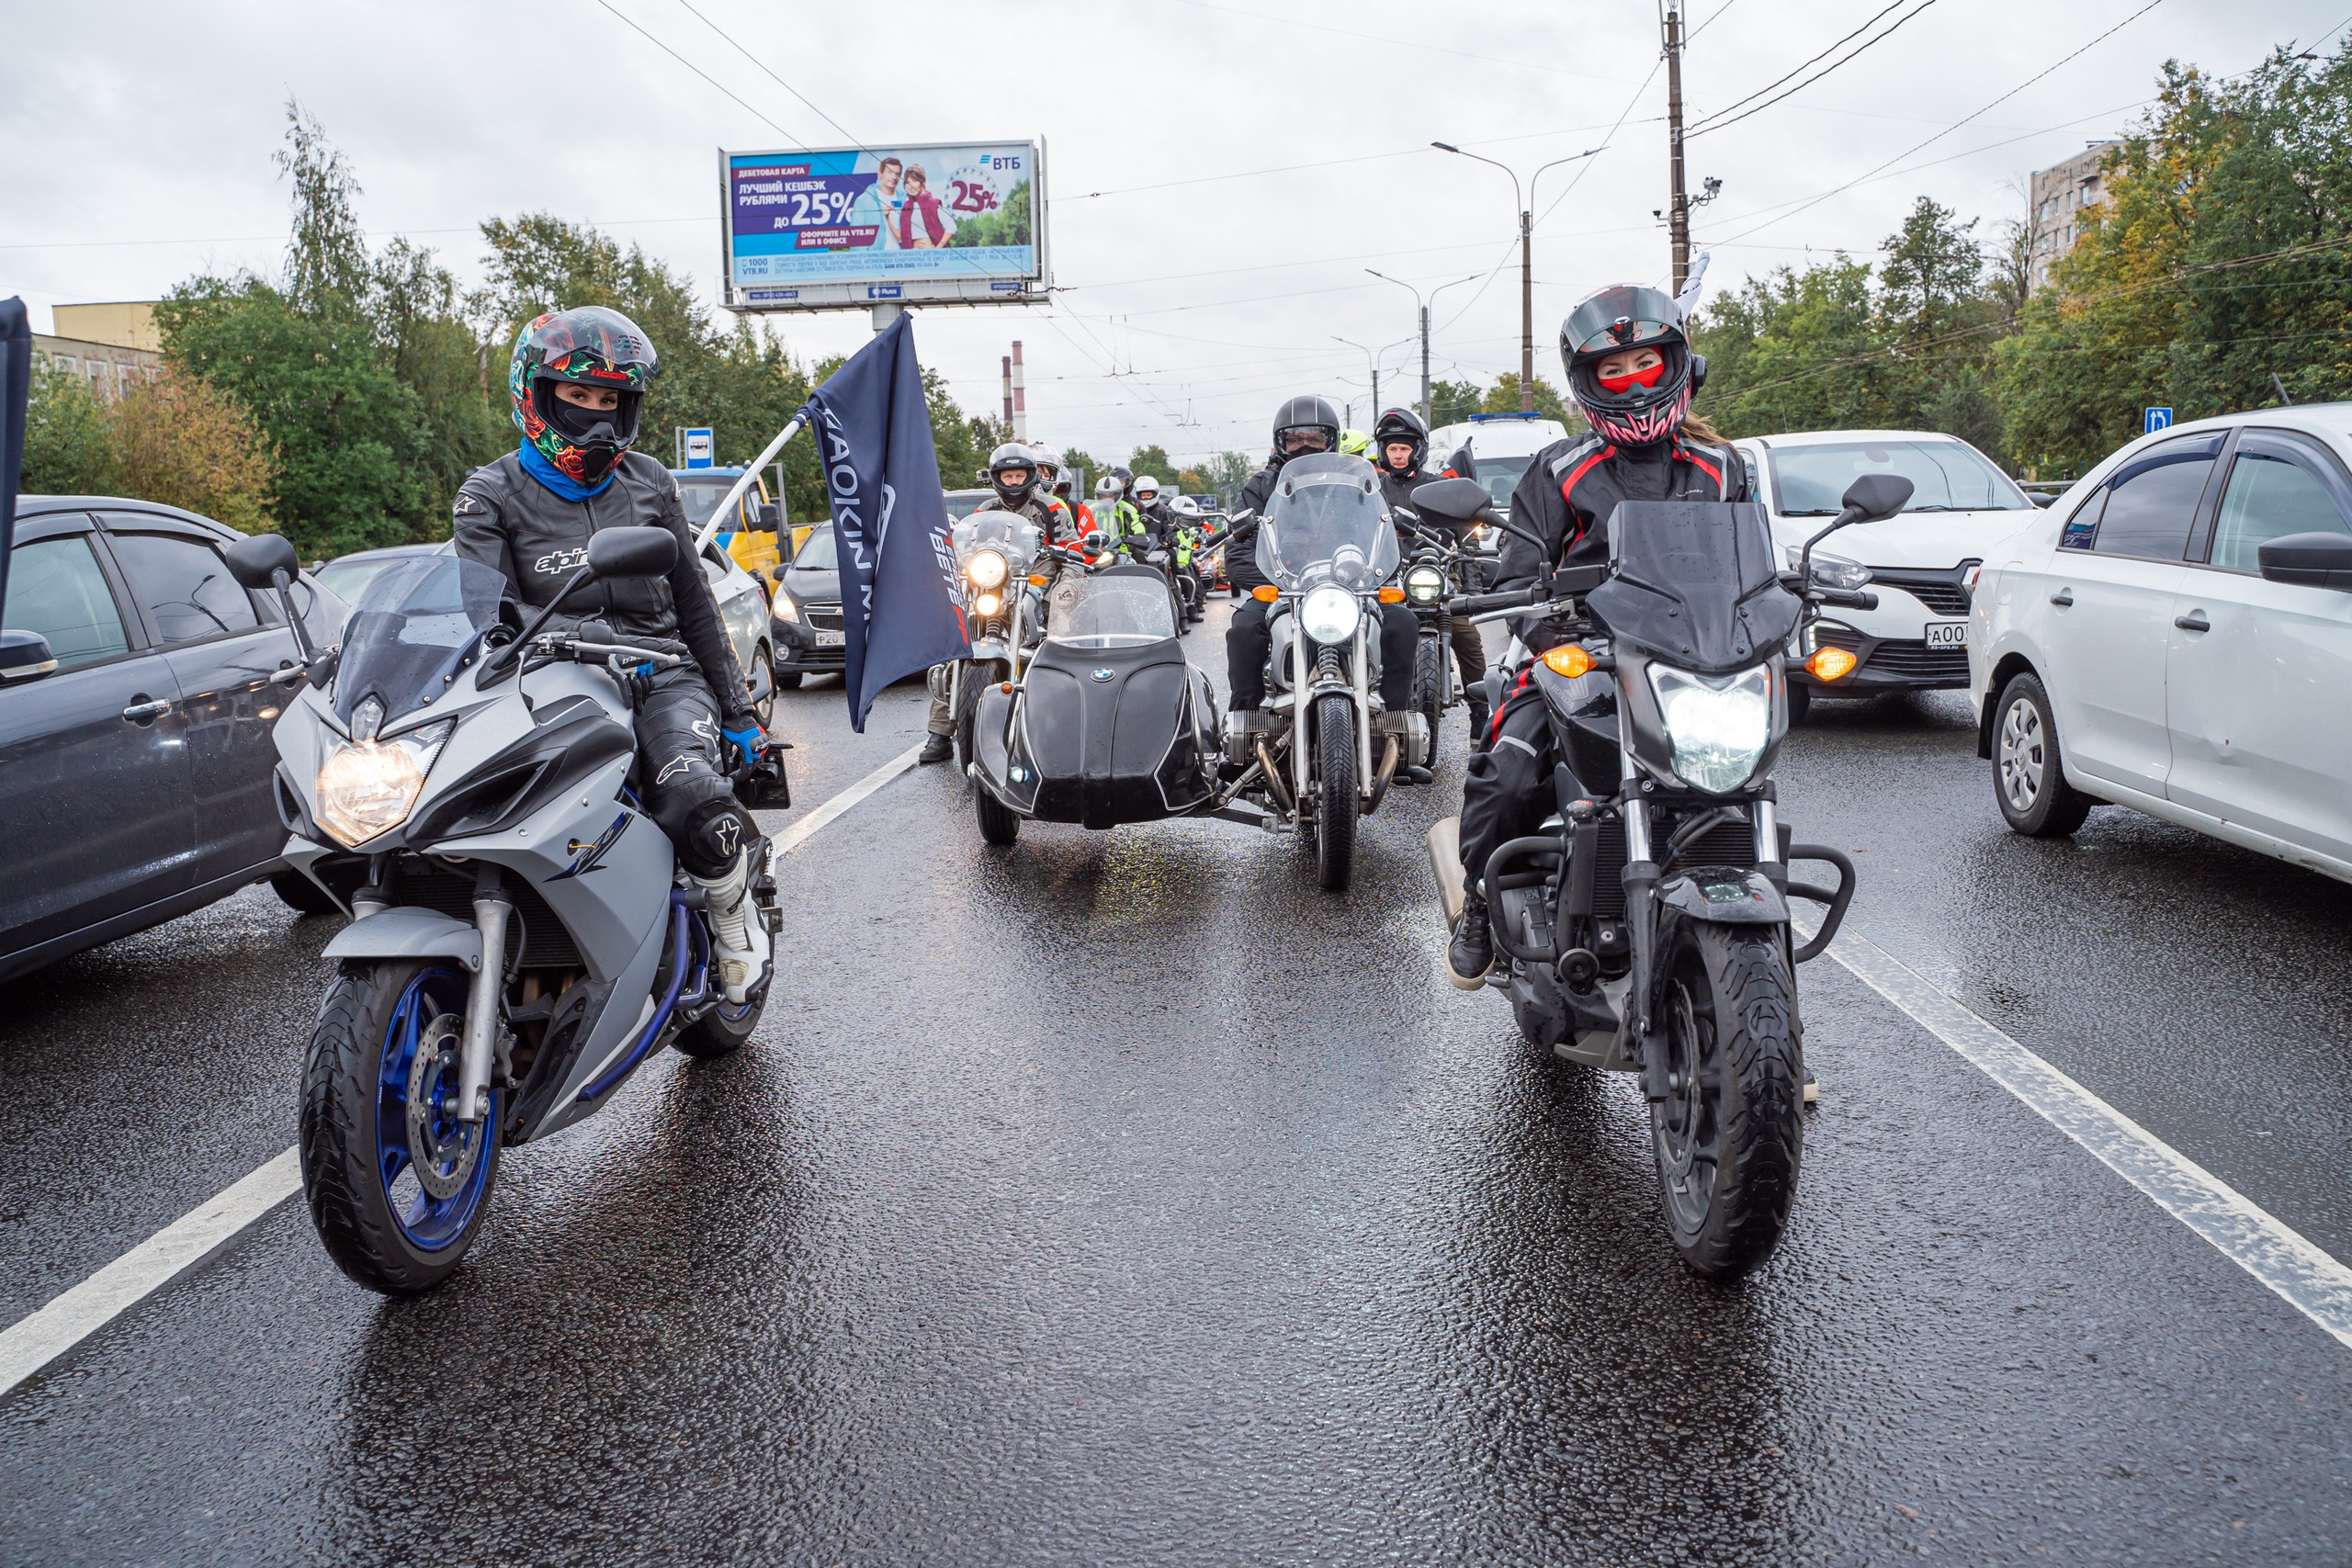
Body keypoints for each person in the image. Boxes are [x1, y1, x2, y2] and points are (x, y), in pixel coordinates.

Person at [452, 306, 771, 1004]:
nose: (596, 415)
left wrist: (740, 712)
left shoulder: (652, 483)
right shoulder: (488, 495)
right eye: (577, 396)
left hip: (659, 671)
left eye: (610, 400)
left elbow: (695, 605)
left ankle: (731, 909)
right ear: (536, 394)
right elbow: (488, 616)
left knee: (689, 790)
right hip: (549, 682)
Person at [1447, 283, 1750, 989]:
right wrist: (1546, 627)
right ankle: (1482, 902)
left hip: (1692, 662)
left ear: (1677, 363)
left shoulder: (1723, 467)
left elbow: (1752, 565)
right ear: (1588, 384)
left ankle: (1763, 1010)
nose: (1632, 381)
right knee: (1512, 769)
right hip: (1581, 655)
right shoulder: (1559, 468)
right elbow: (1518, 572)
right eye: (1614, 371)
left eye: (1644, 362)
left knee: (1745, 779)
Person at [1224, 394, 1419, 719]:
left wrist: (1370, 572)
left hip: (1352, 586)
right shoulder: (1260, 486)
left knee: (1403, 622)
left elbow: (1382, 534)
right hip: (1286, 589)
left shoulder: (1360, 483)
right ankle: (1246, 721)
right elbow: (1237, 551)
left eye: (1315, 438)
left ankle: (1395, 722)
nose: (1305, 446)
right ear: (1280, 441)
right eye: (1295, 438)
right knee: (1244, 629)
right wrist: (1276, 581)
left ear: (1332, 440)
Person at [921, 441, 1072, 763]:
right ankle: (939, 732)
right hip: (991, 584)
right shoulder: (984, 511)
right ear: (996, 478)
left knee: (1064, 633)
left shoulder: (1052, 508)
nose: (1014, 482)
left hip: (1035, 583)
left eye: (1019, 475)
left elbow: (1072, 549)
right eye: (1008, 476)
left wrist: (1067, 579)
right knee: (958, 642)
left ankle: (1066, 721)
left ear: (1031, 476)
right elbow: (962, 544)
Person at [1373, 405, 1488, 737]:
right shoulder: (1374, 491)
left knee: (1467, 636)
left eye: (1404, 448)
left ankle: (1482, 715)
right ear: (1383, 450)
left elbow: (1467, 537)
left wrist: (1472, 583)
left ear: (1417, 450)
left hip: (1437, 574)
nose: (1397, 455)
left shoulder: (1439, 487)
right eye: (1392, 448)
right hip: (1388, 577)